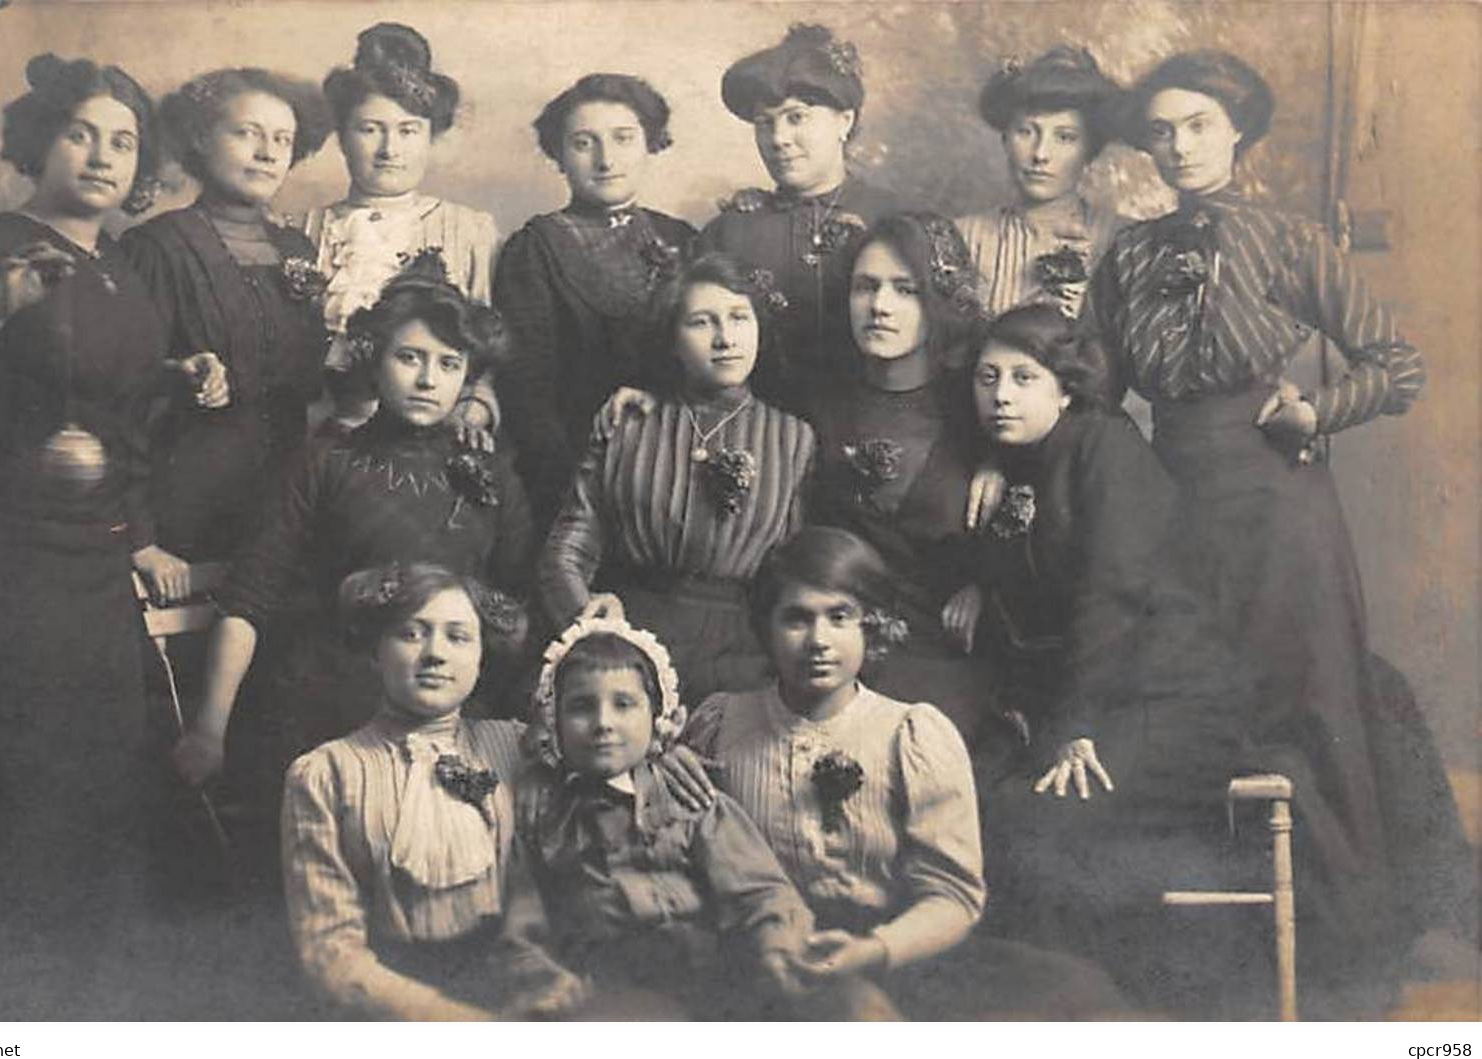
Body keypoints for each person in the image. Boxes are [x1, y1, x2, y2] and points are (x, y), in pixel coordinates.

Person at [1091, 49, 1475, 1004]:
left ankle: (1345, 952)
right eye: (1160, 132)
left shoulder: (1292, 243)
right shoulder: (1126, 255)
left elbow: (1396, 364)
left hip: (1279, 506)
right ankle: (1218, 965)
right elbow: (1096, 396)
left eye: (1197, 127)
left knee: (1309, 709)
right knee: (1186, 707)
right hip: (1169, 504)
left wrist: (1315, 413)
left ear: (1237, 132)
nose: (1177, 147)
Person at [0, 54, 196, 1017]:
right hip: (7, 554)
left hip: (98, 554)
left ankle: (75, 1000)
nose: (105, 156)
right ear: (41, 141)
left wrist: (185, 379)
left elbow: (125, 428)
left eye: (125, 142)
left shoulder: (125, 268)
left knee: (95, 772)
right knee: (11, 770)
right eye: (84, 133)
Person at [682, 527, 1130, 1019]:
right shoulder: (720, 726)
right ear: (765, 627)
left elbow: (952, 895)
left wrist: (873, 950)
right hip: (762, 958)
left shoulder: (910, 734)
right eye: (796, 618)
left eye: (839, 617)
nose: (818, 641)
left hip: (895, 953)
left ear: (869, 626)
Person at [960, 306, 1259, 1009]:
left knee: (1045, 821)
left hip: (1170, 696)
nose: (1000, 394)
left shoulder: (1105, 448)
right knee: (991, 808)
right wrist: (980, 576)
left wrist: (1075, 725)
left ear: (1064, 390)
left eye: (1023, 378)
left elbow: (1110, 595)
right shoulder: (1020, 461)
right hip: (1096, 697)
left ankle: (1107, 1010)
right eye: (986, 377)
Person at [171, 261, 532, 799]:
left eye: (448, 363)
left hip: (455, 706)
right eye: (409, 358)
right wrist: (209, 730)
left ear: (466, 376)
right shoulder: (324, 461)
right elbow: (248, 599)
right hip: (334, 701)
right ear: (375, 359)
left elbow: (519, 602)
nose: (428, 380)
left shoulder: (490, 468)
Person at [500, 612, 813, 1018]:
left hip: (713, 984)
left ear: (658, 717)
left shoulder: (690, 800)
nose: (603, 724)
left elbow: (762, 893)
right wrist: (545, 979)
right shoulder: (544, 815)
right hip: (605, 992)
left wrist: (776, 946)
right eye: (581, 707)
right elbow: (522, 927)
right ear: (554, 722)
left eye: (624, 704)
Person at [538, 253, 814, 708]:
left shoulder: (794, 438)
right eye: (702, 323)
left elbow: (797, 573)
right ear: (672, 338)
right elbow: (567, 549)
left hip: (746, 654)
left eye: (739, 318)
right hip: (635, 635)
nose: (726, 339)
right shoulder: (630, 422)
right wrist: (591, 625)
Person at [280, 563, 528, 1019]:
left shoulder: (517, 747)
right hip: (396, 1011)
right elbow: (329, 955)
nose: (435, 654)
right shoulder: (326, 773)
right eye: (411, 634)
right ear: (376, 651)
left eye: (458, 637)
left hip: (518, 991)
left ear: (481, 657)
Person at [120, 66, 333, 561]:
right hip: (185, 500)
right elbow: (120, 391)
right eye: (247, 134)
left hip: (285, 499)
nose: (267, 153)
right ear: (199, 137)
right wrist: (140, 537)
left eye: (282, 139)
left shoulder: (295, 246)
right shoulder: (156, 247)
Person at [808, 212, 998, 742]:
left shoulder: (980, 407)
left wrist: (987, 584)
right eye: (865, 287)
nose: (880, 306)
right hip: (837, 660)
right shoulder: (817, 406)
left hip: (948, 660)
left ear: (936, 301)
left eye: (904, 290)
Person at [495, 73, 698, 523]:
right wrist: (578, 488)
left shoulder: (683, 240)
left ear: (650, 144)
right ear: (560, 157)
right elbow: (526, 389)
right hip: (572, 480)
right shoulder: (534, 247)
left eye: (623, 139)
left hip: (682, 469)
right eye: (584, 143)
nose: (606, 160)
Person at [310, 22, 501, 438]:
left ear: (430, 136)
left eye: (408, 130)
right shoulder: (304, 230)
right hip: (319, 437)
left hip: (438, 436)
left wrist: (470, 415)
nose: (389, 150)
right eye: (370, 129)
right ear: (342, 138)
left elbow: (487, 357)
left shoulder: (472, 231)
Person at [701, 23, 902, 415]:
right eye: (765, 123)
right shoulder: (730, 231)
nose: (778, 138)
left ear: (844, 121)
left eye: (796, 117)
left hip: (872, 425)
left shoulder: (895, 220)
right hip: (756, 433)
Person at [956, 46, 1129, 319]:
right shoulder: (963, 239)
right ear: (1005, 139)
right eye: (1025, 132)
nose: (1040, 154)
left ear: (1090, 150)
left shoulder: (1126, 242)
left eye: (1065, 137)